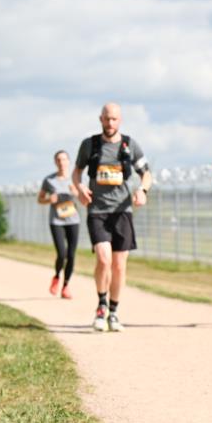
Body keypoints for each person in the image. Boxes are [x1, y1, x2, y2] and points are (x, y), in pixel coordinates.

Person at [71, 102, 153, 332]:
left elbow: (146, 174)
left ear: (120, 120)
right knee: (104, 258)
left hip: (122, 211)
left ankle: (114, 312)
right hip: (97, 210)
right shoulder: (90, 145)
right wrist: (79, 188)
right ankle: (101, 305)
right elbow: (77, 172)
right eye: (107, 119)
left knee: (119, 264)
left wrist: (142, 191)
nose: (110, 123)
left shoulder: (129, 145)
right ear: (100, 119)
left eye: (114, 119)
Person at [38, 150, 79, 299]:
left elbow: (84, 198)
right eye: (59, 160)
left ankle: (66, 286)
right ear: (55, 162)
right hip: (56, 221)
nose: (62, 163)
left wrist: (76, 192)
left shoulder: (75, 179)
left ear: (69, 161)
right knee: (62, 254)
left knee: (71, 255)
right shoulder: (49, 180)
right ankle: (56, 277)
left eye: (64, 159)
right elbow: (40, 199)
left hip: (73, 220)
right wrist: (49, 200)